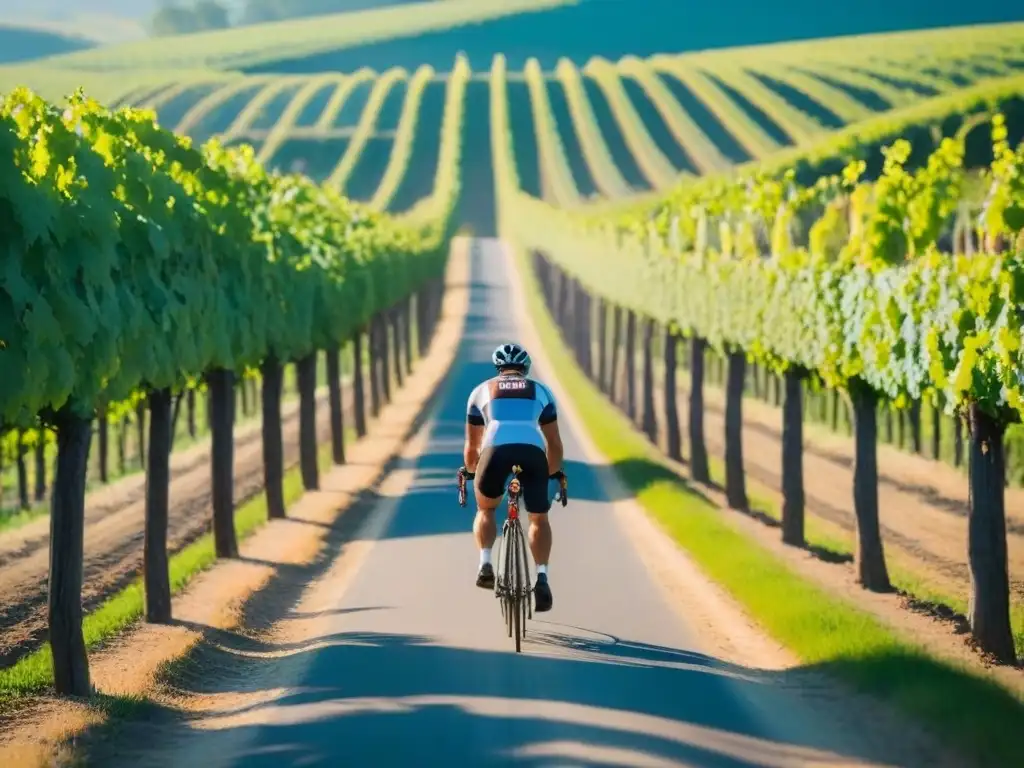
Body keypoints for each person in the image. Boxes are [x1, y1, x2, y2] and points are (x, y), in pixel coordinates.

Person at [462, 343, 564, 612]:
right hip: (532, 452)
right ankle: (541, 576)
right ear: (525, 368)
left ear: (498, 368)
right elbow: (554, 442)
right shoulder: (541, 390)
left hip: (494, 451)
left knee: (486, 508)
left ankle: (485, 562)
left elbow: (472, 447)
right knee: (538, 518)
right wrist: (553, 473)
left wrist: (473, 471)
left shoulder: (480, 391)